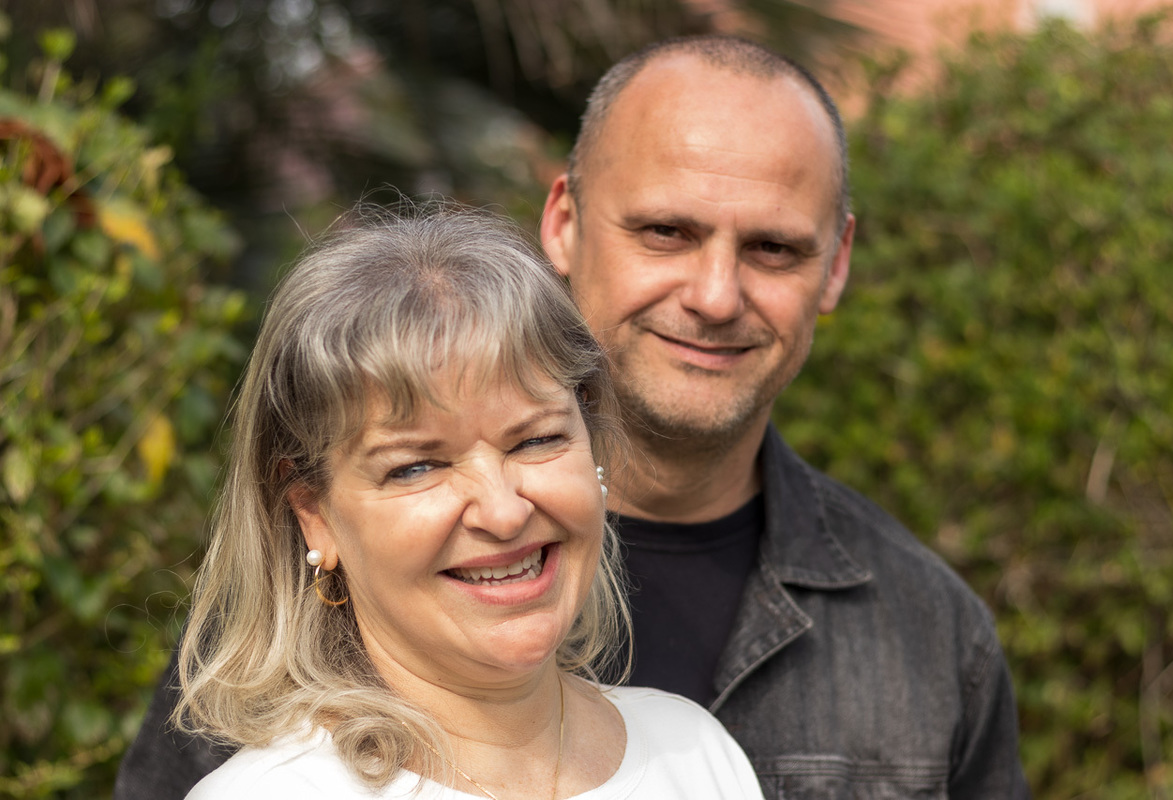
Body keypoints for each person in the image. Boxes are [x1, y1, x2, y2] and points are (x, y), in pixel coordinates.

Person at [118, 34, 1030, 800]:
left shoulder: (927, 633)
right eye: (665, 231)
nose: (715, 295)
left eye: (775, 248)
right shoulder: (284, 649)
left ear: (836, 267)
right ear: (564, 219)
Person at [162, 205, 766, 799]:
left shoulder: (697, 755)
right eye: (417, 466)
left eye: (537, 440)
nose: (503, 512)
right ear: (314, 516)